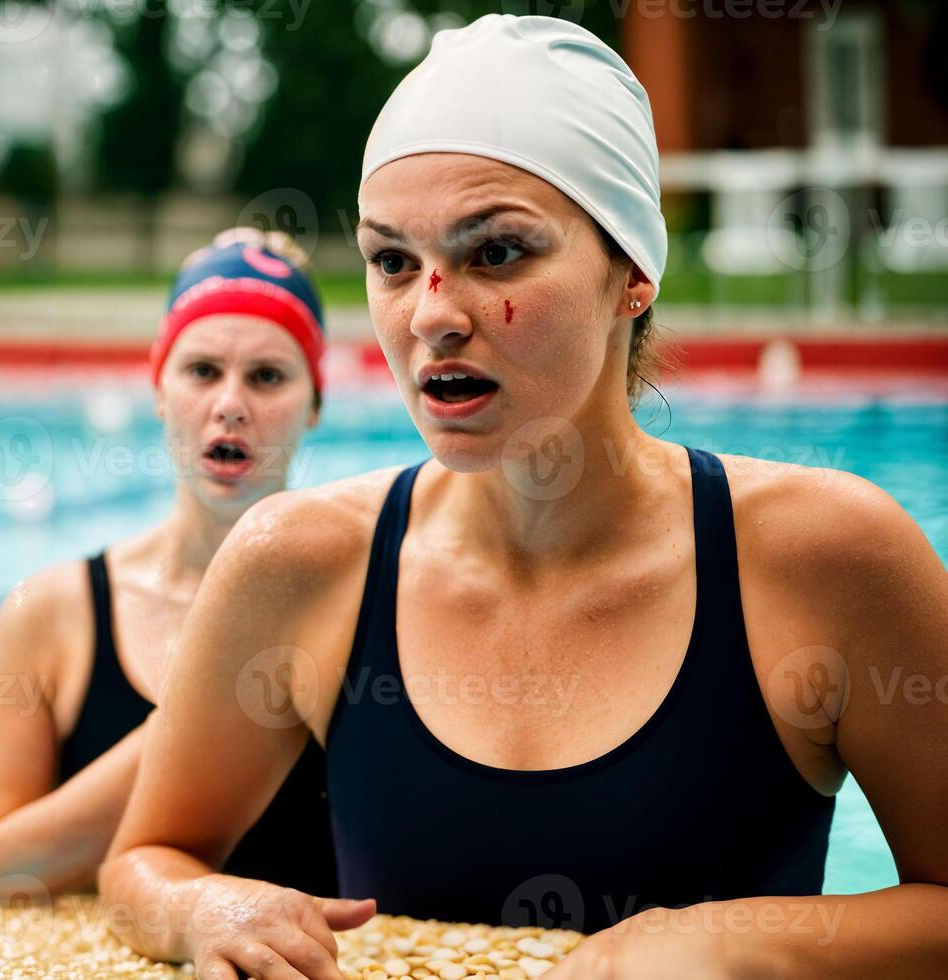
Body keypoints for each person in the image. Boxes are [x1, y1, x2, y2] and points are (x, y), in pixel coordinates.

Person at [98, 15, 948, 979]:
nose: (431, 314)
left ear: (630, 270)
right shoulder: (298, 562)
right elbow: (143, 863)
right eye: (389, 260)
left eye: (496, 253)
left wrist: (729, 940)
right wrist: (201, 905)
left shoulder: (824, 557)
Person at [0, 228, 338, 901]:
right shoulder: (52, 613)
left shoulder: (360, 605)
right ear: (159, 390)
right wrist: (209, 706)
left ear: (313, 404)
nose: (229, 404)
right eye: (201, 371)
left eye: (267, 376)